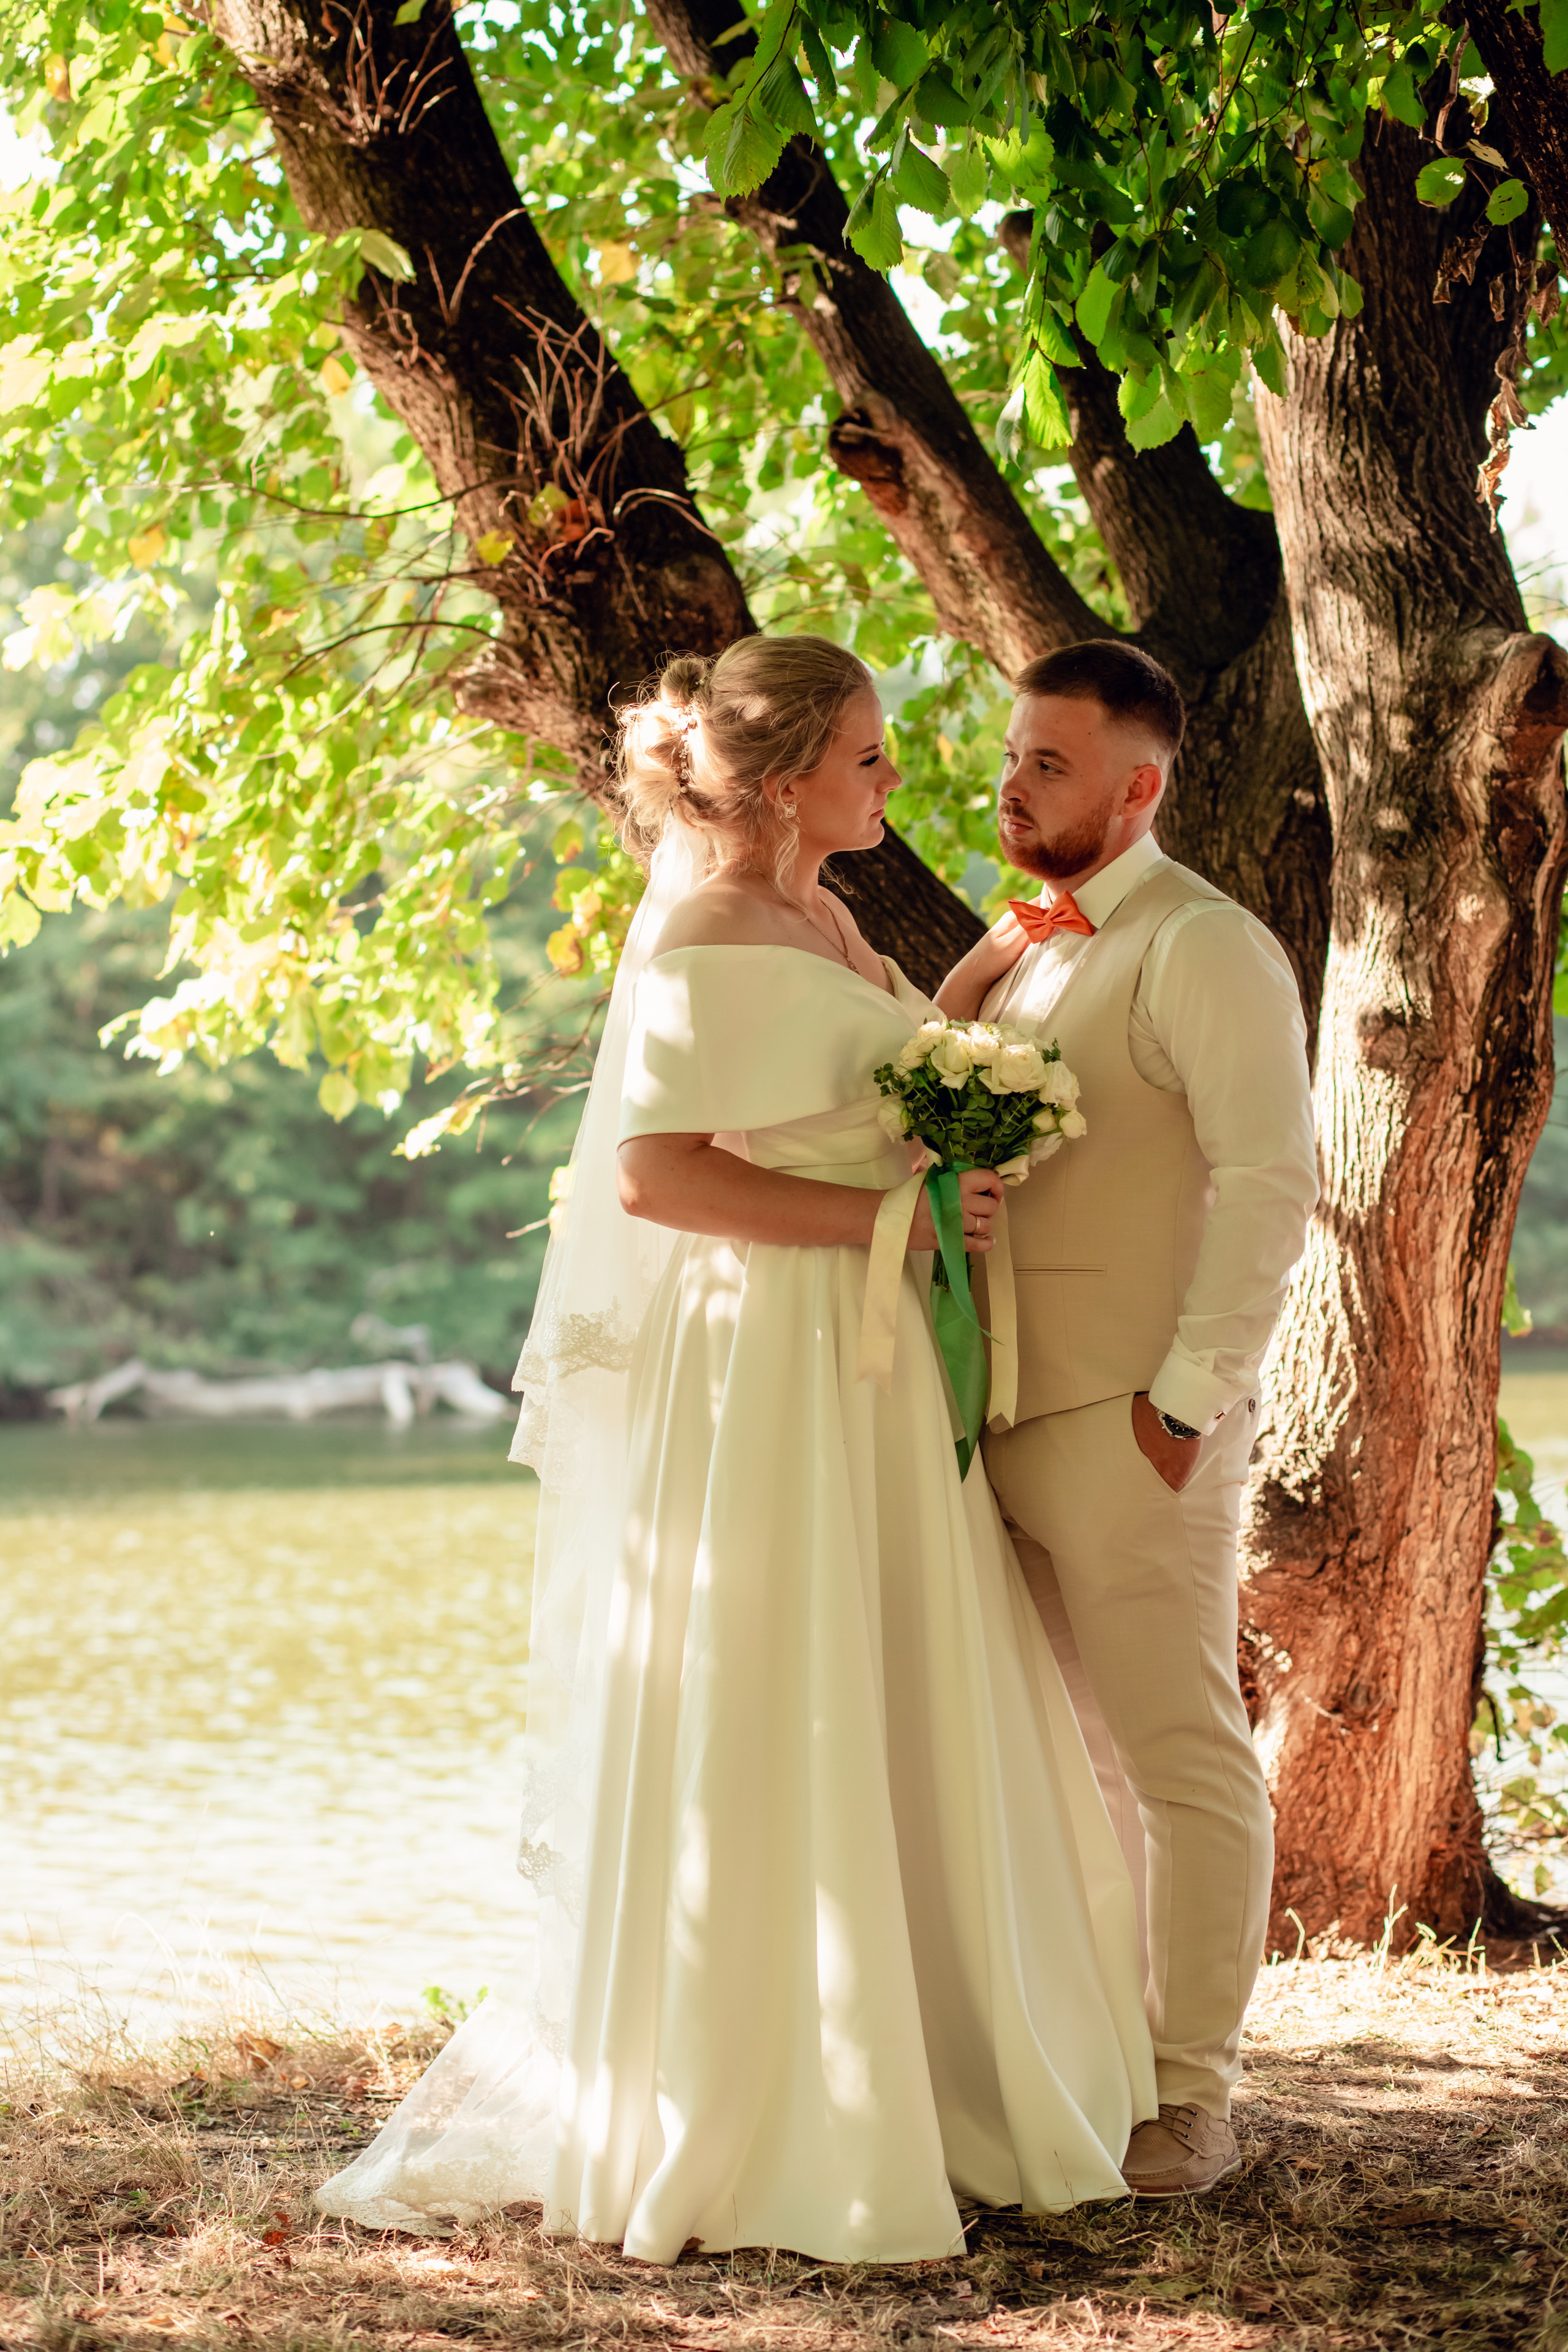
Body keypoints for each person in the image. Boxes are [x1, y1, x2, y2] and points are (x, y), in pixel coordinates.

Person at [317, 634, 1156, 2260]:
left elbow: (887, 1062)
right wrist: (885, 1217)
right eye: (868, 757)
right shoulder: (701, 931)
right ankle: (768, 2104)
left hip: (872, 1348)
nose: (894, 781)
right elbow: (654, 1177)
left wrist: (995, 992)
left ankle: (927, 2067)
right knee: (785, 1681)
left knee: (900, 1667)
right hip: (771, 1354)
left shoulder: (824, 913)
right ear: (781, 783)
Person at [937, 639, 1319, 2199]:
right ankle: (1091, 2061)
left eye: (1046, 764)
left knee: (1177, 1755)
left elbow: (1266, 1183)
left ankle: (1193, 2095)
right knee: (1062, 1760)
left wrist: (1188, 1401)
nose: (1010, 784)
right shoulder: (1027, 946)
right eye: (1013, 753)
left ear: (1137, 786)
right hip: (1002, 1412)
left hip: (1134, 1422)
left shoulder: (1204, 943)